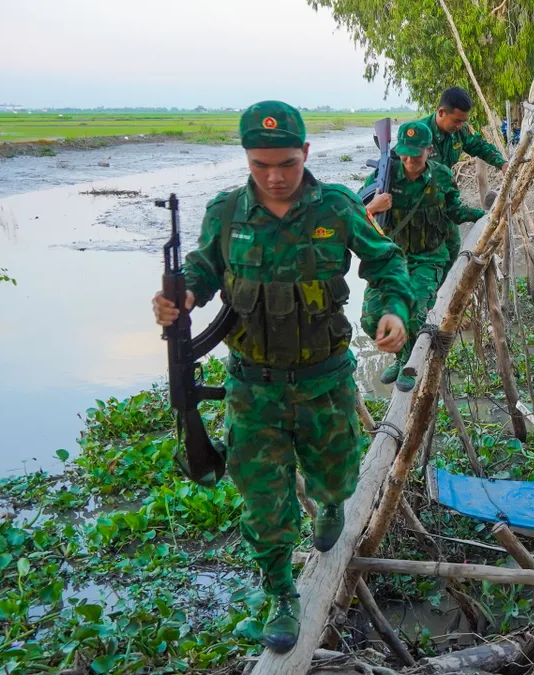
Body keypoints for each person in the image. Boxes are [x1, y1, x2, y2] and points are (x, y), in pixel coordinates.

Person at [151, 101, 412, 653]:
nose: (274, 176)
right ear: (247, 158)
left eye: (287, 163)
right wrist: (185, 292)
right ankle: (280, 593)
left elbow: (386, 261)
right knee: (265, 509)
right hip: (254, 389)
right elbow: (203, 265)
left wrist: (392, 309)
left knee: (336, 479)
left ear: (306, 154)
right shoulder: (225, 214)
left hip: (325, 381)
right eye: (261, 164)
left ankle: (334, 504)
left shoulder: (337, 206)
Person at [363, 119, 485, 391]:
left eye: (416, 153)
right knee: (371, 319)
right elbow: (354, 216)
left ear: (429, 150)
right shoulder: (385, 174)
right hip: (391, 259)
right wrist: (374, 205)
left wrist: (484, 216)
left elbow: (454, 211)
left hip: (428, 258)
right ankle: (400, 355)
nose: (408, 159)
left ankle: (408, 362)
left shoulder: (440, 176)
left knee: (415, 312)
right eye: (404, 152)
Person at [419, 86, 508, 173]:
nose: (460, 126)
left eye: (463, 121)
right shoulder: (418, 134)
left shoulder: (461, 131)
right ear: (441, 112)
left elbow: (480, 146)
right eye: (456, 121)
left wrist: (502, 163)